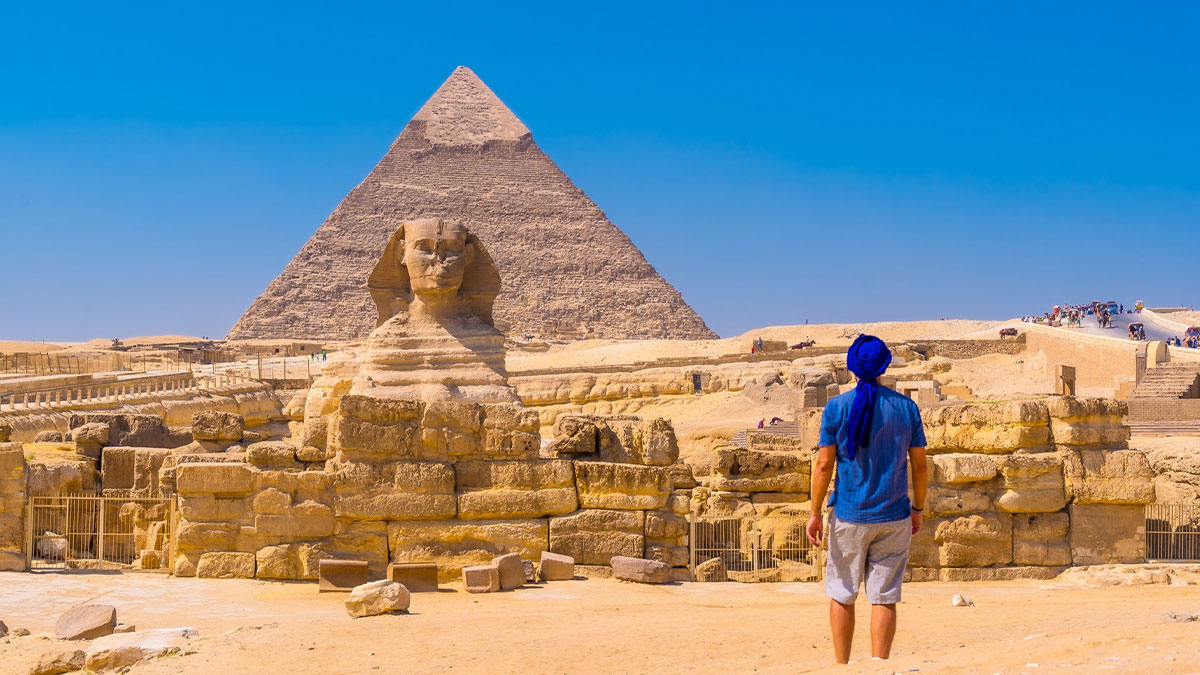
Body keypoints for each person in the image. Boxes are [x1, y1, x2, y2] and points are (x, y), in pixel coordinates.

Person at [806, 335, 928, 665]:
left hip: (848, 515)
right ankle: (878, 666)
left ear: (852, 368)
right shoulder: (906, 408)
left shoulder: (836, 408)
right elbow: (919, 465)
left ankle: (842, 666)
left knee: (842, 593)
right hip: (894, 516)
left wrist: (815, 512)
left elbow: (823, 465)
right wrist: (917, 509)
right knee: (884, 596)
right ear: (883, 366)